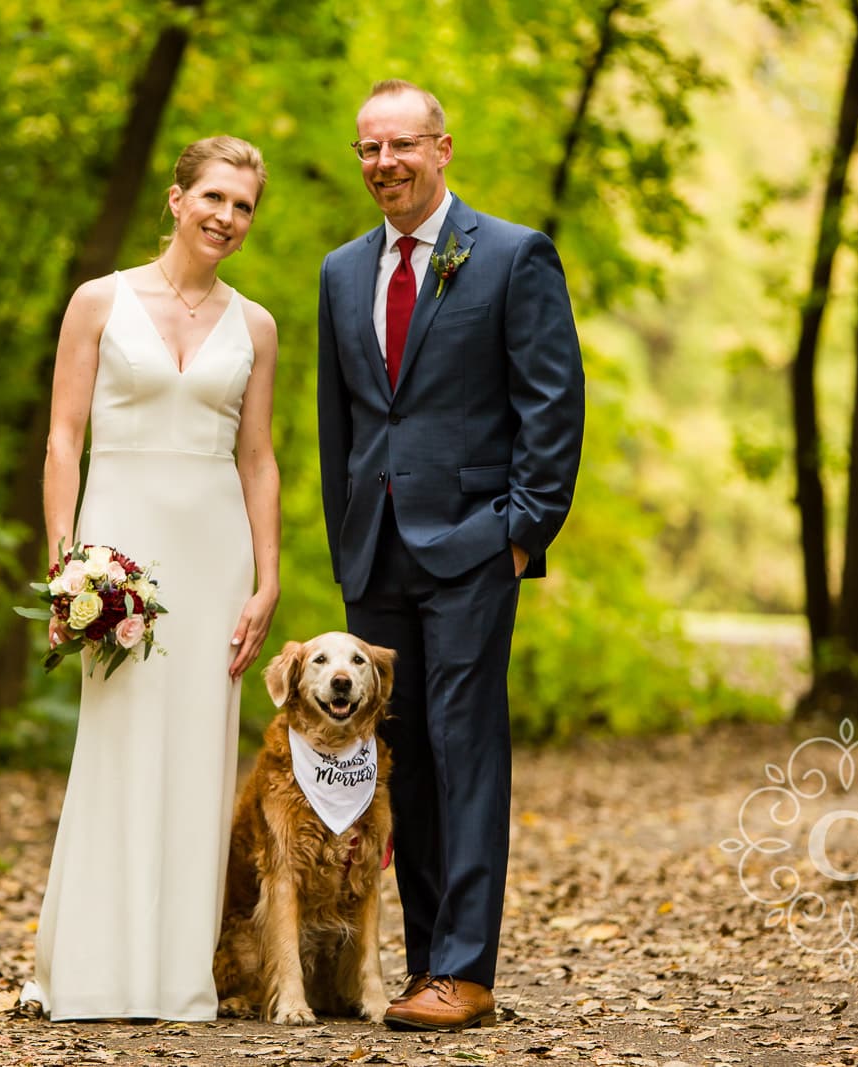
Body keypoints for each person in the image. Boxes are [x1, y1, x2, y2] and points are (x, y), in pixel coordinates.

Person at [316, 81, 584, 1031]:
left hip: (475, 546)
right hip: (375, 555)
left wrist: (521, 532)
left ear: (442, 148)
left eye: (401, 145)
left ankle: (465, 969)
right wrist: (346, 539)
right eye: (368, 150)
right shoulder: (342, 272)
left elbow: (552, 404)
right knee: (400, 764)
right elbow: (340, 422)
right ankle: (424, 961)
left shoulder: (512, 255)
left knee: (465, 749)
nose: (384, 163)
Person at [21, 135, 281, 1022]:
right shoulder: (100, 301)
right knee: (117, 741)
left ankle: (177, 975)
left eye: (243, 206)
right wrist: (66, 562)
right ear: (176, 199)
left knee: (201, 751)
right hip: (118, 551)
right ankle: (89, 966)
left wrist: (268, 579)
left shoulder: (256, 326)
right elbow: (63, 437)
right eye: (213, 196)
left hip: (217, 552)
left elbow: (257, 458)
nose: (226, 217)